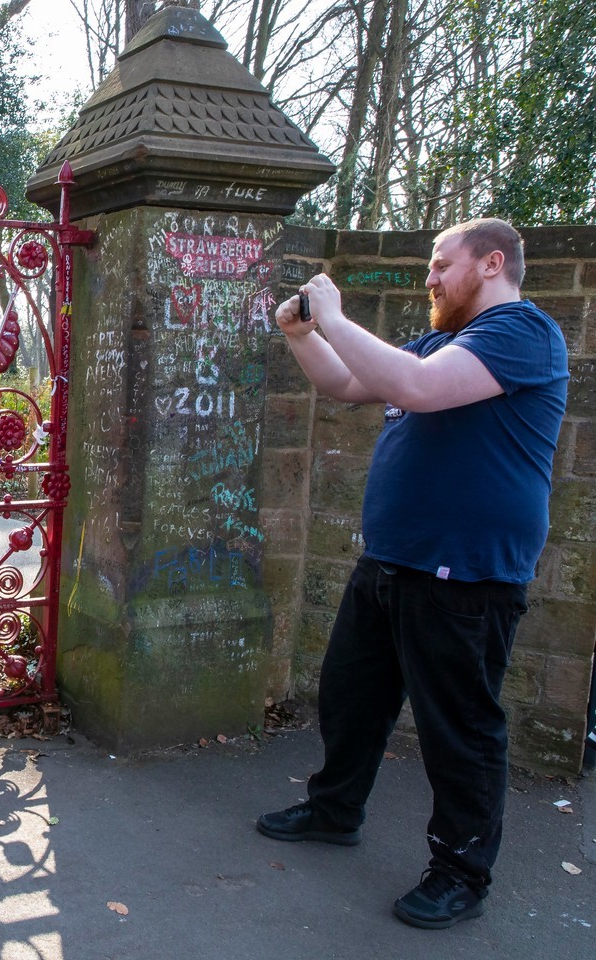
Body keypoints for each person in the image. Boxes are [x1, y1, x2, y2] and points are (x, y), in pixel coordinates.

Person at [256, 218, 568, 929]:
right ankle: (335, 809)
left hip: (467, 575)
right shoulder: (438, 342)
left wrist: (335, 313)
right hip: (393, 559)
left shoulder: (523, 333)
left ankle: (461, 870)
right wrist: (304, 335)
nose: (428, 278)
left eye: (439, 264)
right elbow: (346, 384)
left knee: (459, 729)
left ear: (492, 265)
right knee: (351, 695)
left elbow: (420, 389)